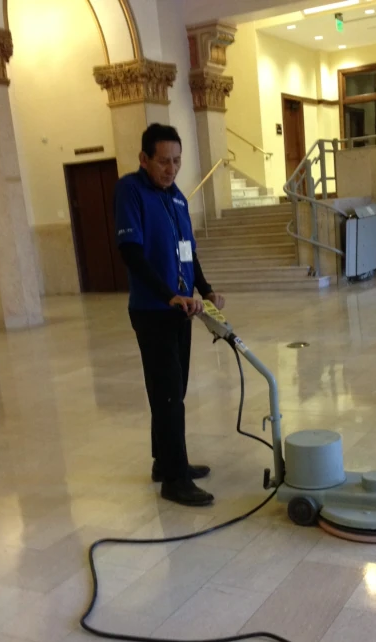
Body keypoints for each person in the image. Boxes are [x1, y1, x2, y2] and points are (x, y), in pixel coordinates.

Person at [114, 123, 225, 507]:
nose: (171, 169)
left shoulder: (177, 197)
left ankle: (165, 462)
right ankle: (175, 481)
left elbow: (186, 252)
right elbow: (131, 252)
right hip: (152, 311)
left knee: (173, 392)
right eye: (163, 161)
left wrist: (205, 290)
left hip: (181, 309)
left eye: (177, 161)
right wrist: (167, 296)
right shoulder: (130, 190)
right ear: (144, 159)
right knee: (166, 397)